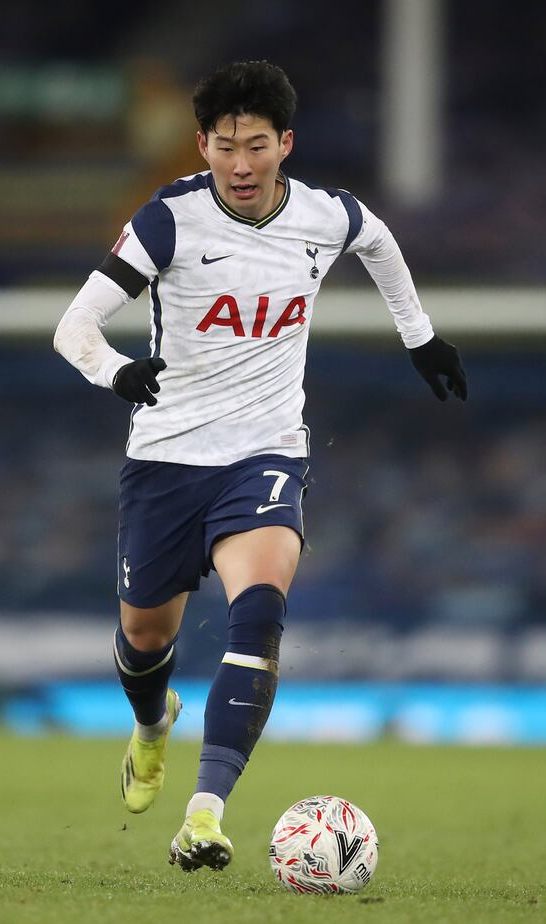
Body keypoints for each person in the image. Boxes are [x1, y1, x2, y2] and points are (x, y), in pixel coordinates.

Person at [53, 60, 467, 873]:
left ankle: (204, 817)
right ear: (202, 145)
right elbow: (75, 327)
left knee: (260, 614)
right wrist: (118, 372)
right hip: (167, 459)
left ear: (286, 144)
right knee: (144, 637)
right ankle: (152, 725)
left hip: (266, 451)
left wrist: (419, 335)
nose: (240, 165)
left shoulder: (324, 215)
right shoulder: (168, 222)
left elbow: (378, 241)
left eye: (256, 146)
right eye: (224, 147)